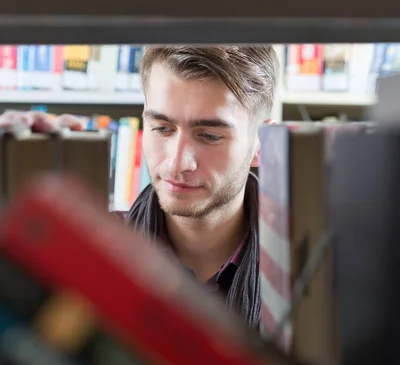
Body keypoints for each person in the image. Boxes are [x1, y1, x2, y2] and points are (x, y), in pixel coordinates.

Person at [0, 45, 279, 330]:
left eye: (209, 136)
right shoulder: (92, 249)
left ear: (262, 144)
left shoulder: (301, 272)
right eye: (162, 128)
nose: (177, 162)